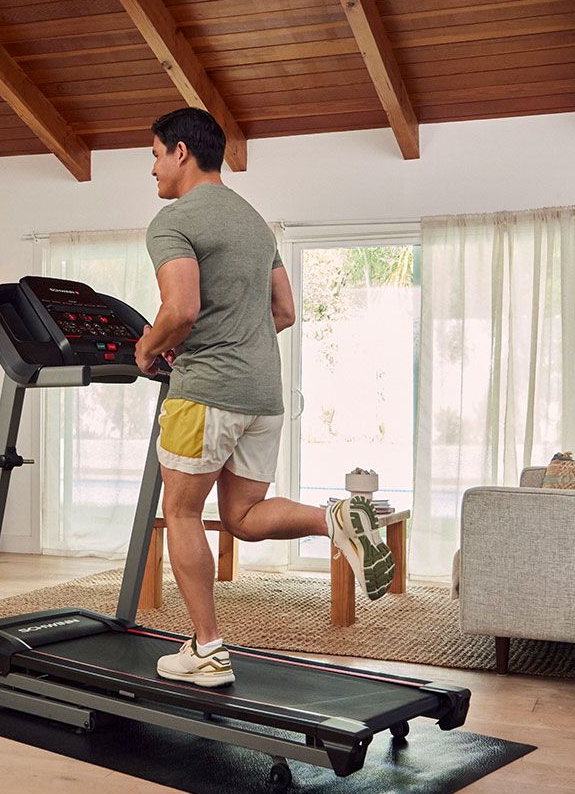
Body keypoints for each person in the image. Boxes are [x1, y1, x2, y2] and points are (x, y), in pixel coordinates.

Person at [133, 107, 394, 688]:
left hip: (206, 392)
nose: (151, 170)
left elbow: (180, 310)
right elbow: (285, 312)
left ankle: (207, 649)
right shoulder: (255, 223)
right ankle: (337, 516)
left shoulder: (173, 221)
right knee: (242, 518)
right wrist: (228, 341)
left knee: (180, 512)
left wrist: (148, 348)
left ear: (180, 152)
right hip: (262, 393)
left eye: (154, 155)